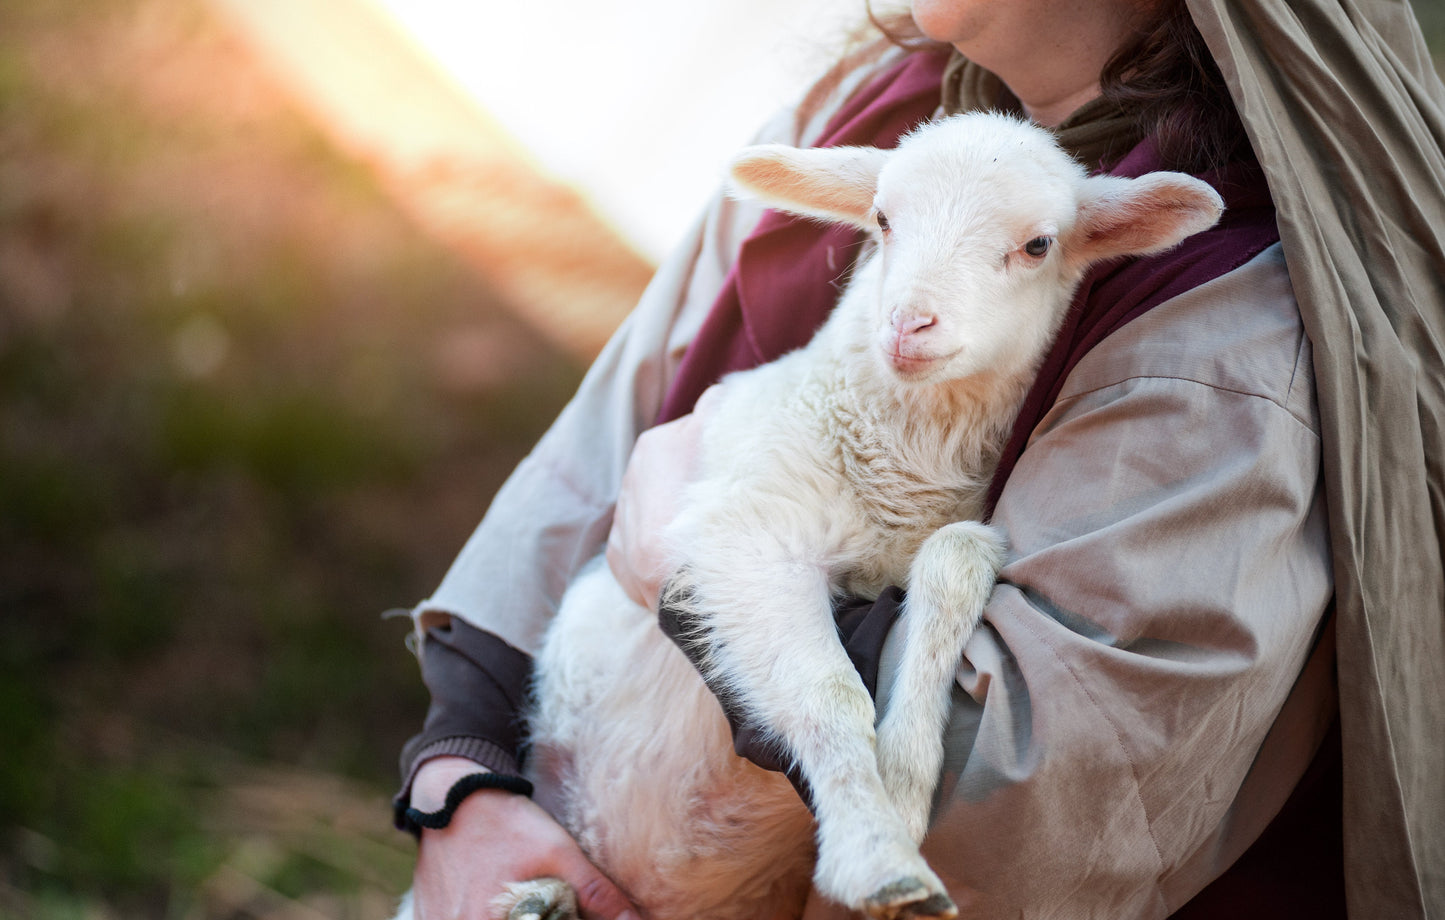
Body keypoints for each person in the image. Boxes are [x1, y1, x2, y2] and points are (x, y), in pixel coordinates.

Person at [391, 1, 1445, 917]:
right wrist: (463, 779)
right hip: (539, 841)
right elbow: (599, 445)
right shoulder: (868, 106)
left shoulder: (1227, 326)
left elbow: (1051, 789)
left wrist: (699, 568)